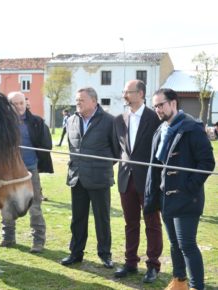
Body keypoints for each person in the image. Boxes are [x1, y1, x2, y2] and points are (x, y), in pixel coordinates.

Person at [144, 88, 215, 290]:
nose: (157, 109)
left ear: (173, 103)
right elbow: (156, 166)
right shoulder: (161, 129)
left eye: (161, 105)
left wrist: (188, 187)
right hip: (166, 199)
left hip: (187, 199)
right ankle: (179, 281)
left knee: (187, 245)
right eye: (155, 105)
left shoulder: (191, 128)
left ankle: (196, 286)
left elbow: (207, 162)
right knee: (175, 245)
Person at [60, 87, 119, 269]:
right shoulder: (71, 120)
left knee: (102, 219)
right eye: (77, 100)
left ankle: (105, 254)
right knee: (78, 219)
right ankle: (75, 253)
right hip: (77, 178)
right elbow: (72, 148)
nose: (77, 103)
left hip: (99, 178)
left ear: (94, 101)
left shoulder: (109, 121)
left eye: (81, 100)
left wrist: (100, 167)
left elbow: (117, 151)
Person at [113, 80, 163, 283]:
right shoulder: (119, 119)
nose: (124, 95)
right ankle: (130, 262)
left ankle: (153, 265)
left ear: (141, 93)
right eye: (124, 91)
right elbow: (119, 149)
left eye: (128, 92)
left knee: (152, 223)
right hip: (126, 179)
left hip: (149, 179)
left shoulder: (154, 118)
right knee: (130, 223)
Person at [0, 91, 53, 253]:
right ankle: (8, 238)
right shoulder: (1, 124)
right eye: (15, 104)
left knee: (35, 205)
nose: (19, 107)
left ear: (25, 103)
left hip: (30, 169)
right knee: (7, 204)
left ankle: (38, 241)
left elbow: (46, 145)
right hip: (9, 171)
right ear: (9, 106)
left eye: (21, 103)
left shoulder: (36, 122)